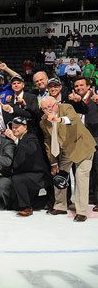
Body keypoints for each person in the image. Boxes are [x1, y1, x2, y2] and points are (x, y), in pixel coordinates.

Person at [40, 96, 96, 222]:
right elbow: (48, 143)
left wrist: (58, 119)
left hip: (82, 146)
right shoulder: (43, 122)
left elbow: (73, 119)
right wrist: (53, 162)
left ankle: (81, 211)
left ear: (56, 105)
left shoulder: (65, 108)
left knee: (81, 177)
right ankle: (60, 206)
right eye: (44, 108)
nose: (47, 110)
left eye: (49, 107)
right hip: (65, 150)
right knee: (60, 175)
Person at [4, 116, 50, 216]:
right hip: (26, 176)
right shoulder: (16, 140)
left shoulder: (31, 137)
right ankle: (45, 200)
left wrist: (15, 139)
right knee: (14, 205)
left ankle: (27, 208)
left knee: (17, 179)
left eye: (17, 127)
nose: (14, 129)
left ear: (25, 128)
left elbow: (31, 150)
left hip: (38, 176)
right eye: (13, 127)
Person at [73, 77, 98, 212]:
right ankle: (87, 196)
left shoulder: (95, 97)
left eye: (81, 85)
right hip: (80, 139)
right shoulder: (75, 100)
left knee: (97, 169)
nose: (79, 88)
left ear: (88, 86)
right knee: (84, 169)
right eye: (76, 86)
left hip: (95, 137)